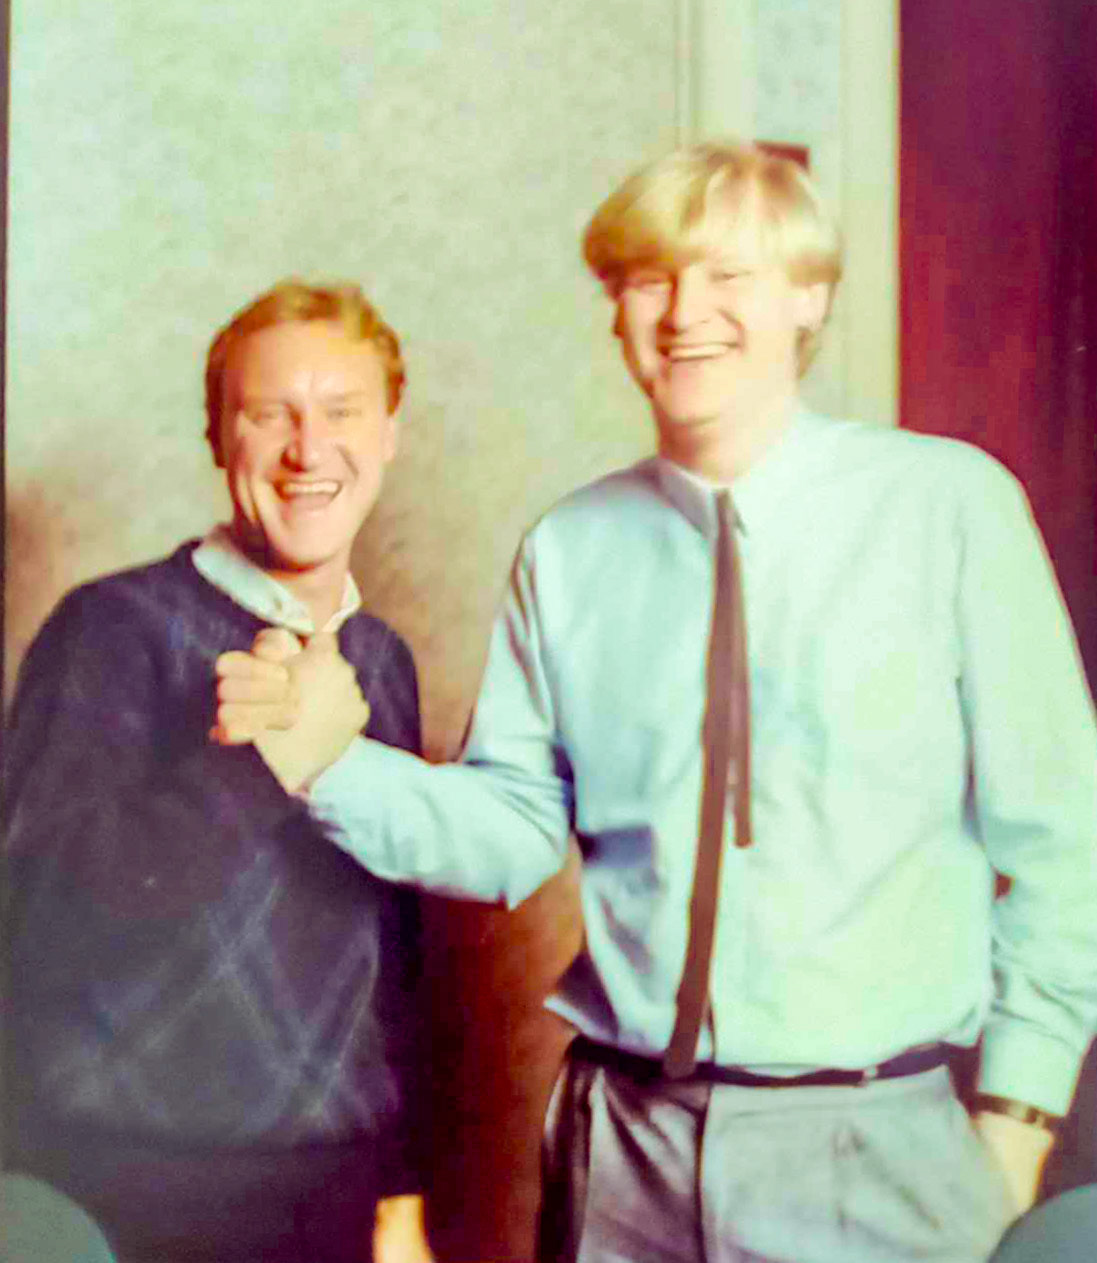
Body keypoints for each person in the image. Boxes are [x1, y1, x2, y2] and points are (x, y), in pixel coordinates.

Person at [215, 146, 1097, 1262]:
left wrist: (1015, 1118)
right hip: (620, 1149)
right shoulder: (570, 549)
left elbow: (1068, 844)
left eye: (728, 275)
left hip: (876, 1147)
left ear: (807, 296)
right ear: (616, 314)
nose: (685, 313)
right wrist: (330, 760)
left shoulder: (947, 507)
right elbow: (511, 836)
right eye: (646, 279)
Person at [2, 280, 434, 1263]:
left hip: (335, 1188)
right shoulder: (108, 630)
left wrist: (402, 1196)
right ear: (218, 438)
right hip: (129, 1186)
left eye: (341, 412)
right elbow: (38, 929)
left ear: (389, 435)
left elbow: (397, 961)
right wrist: (261, 763)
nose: (307, 448)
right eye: (269, 413)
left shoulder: (382, 661)